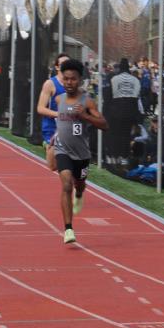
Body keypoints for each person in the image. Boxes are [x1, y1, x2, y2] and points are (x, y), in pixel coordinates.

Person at [37, 59, 108, 244]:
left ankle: (79, 193)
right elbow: (59, 120)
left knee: (79, 184)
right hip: (63, 150)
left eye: (73, 79)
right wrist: (54, 138)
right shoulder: (58, 99)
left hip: (82, 154)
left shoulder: (87, 101)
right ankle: (68, 229)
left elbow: (104, 125)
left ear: (80, 80)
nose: (69, 82)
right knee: (66, 184)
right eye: (66, 79)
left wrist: (84, 115)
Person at [37, 53, 70, 171]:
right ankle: (47, 145)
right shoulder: (50, 84)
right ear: (57, 67)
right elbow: (40, 108)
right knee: (52, 166)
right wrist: (59, 115)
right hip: (52, 128)